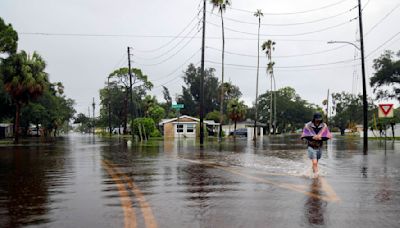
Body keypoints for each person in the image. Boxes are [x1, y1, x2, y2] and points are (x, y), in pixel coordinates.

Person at [301, 113, 332, 178]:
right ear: (314, 119)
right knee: (315, 162)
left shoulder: (324, 126)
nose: (318, 121)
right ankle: (316, 176)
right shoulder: (308, 126)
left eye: (319, 119)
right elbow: (305, 135)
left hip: (319, 146)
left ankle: (313, 172)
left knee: (316, 162)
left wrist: (321, 138)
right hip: (311, 146)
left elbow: (327, 136)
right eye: (316, 119)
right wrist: (312, 137)